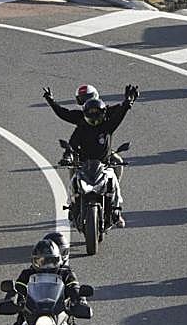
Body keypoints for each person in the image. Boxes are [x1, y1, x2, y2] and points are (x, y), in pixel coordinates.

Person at [43, 85, 138, 227]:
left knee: (115, 175)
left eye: (97, 113)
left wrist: (128, 102)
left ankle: (117, 212)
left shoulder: (108, 124)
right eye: (90, 113)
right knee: (73, 177)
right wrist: (67, 156)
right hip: (84, 164)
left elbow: (120, 113)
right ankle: (72, 205)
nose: (94, 116)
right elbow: (71, 140)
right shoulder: (81, 126)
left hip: (104, 164)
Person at [2, 238, 88, 325]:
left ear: (58, 260)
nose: (46, 265)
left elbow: (75, 288)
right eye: (41, 261)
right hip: (30, 315)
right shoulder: (27, 274)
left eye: (51, 261)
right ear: (34, 261)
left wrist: (80, 301)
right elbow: (16, 289)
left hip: (60, 316)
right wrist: (10, 300)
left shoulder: (66, 273)